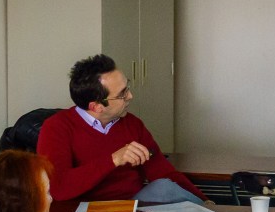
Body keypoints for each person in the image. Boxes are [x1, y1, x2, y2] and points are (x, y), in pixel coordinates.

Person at [36, 53, 208, 204]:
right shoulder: (57, 127)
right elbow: (59, 189)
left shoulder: (132, 124)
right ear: (97, 106)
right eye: (122, 94)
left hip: (132, 210)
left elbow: (162, 171)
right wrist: (114, 159)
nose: (130, 96)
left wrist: (206, 202)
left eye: (128, 87)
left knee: (163, 187)